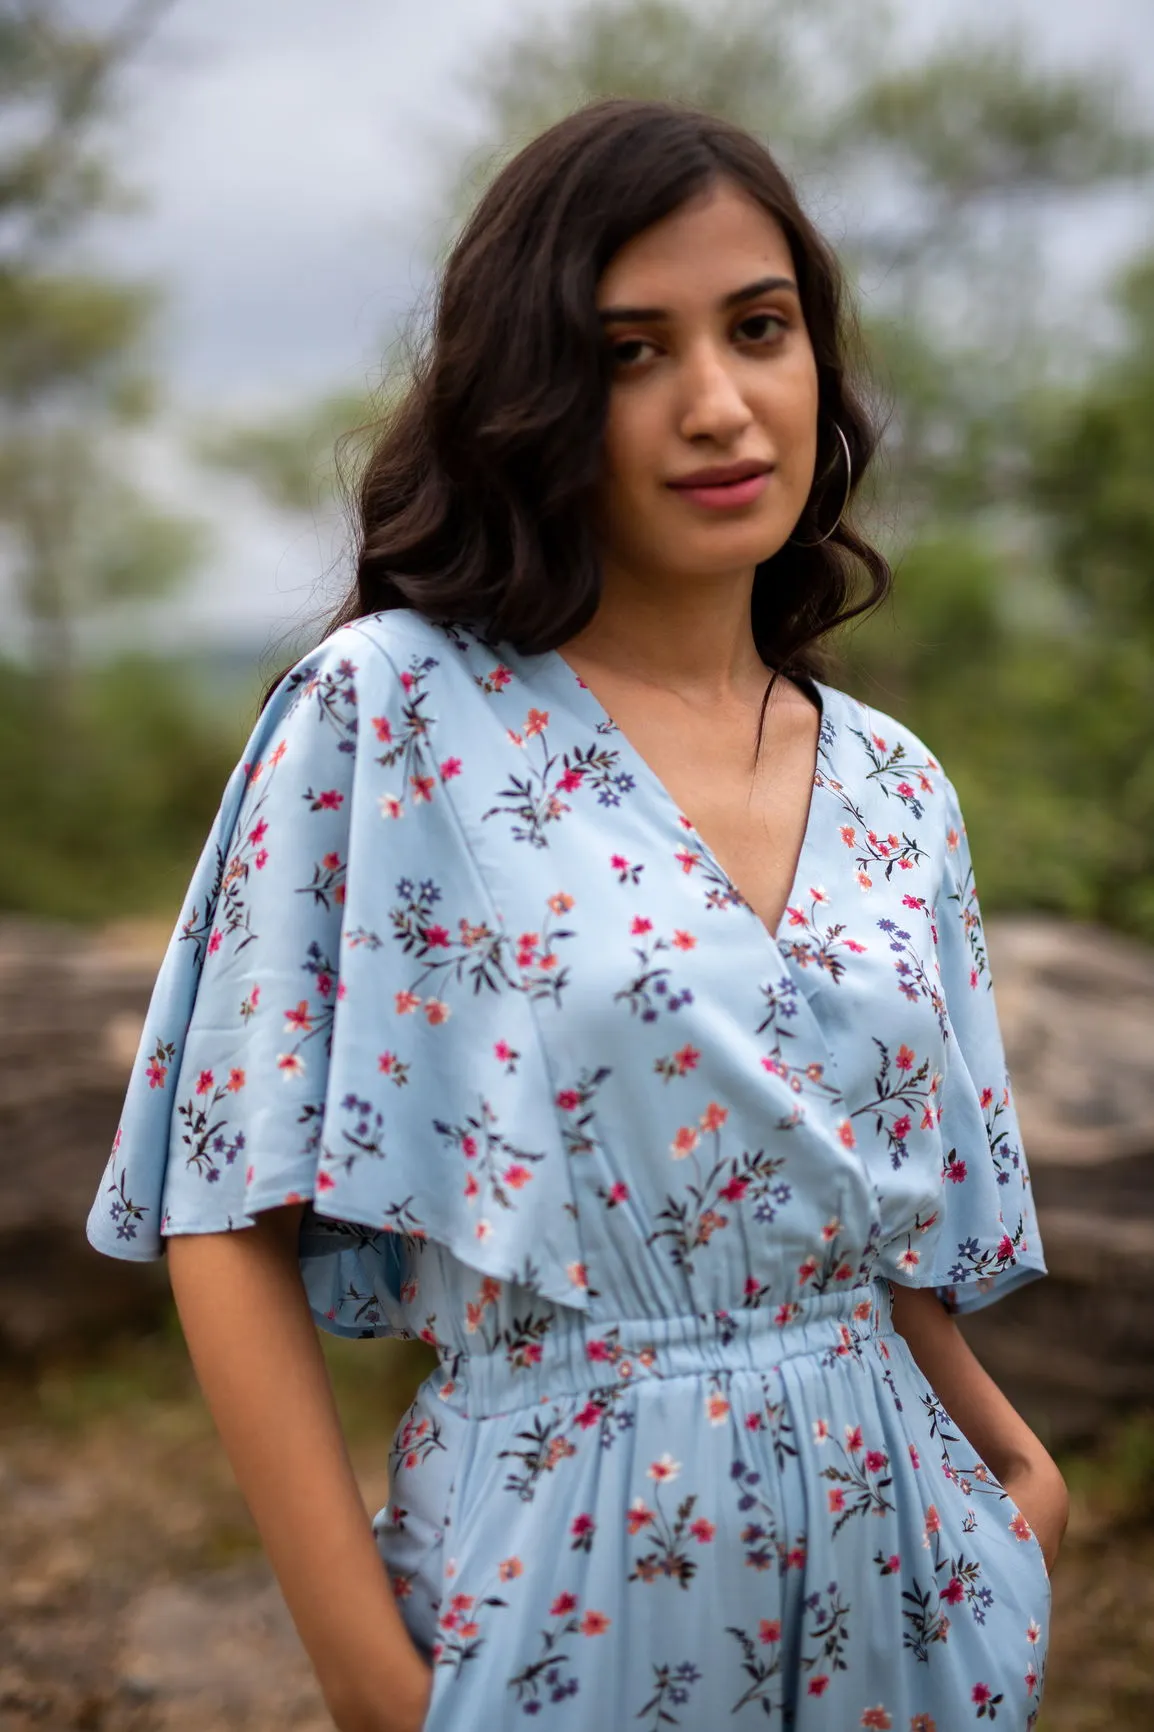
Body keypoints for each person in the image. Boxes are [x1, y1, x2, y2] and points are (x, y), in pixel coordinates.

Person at [86, 97, 1067, 1731]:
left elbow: (865, 1228)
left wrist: (1017, 1483)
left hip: (914, 1592)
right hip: (567, 1580)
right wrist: (368, 1681)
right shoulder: (390, 715)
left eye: (757, 330)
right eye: (630, 351)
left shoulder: (898, 784)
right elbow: (219, 1208)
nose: (715, 403)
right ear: (536, 391)